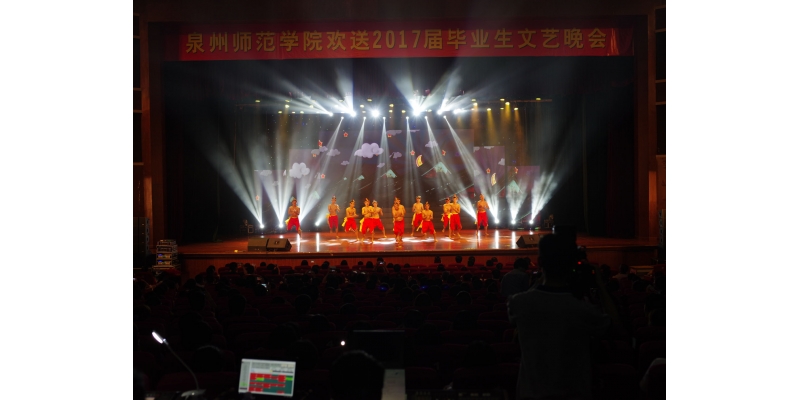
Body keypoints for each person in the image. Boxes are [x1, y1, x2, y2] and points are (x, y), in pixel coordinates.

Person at [507, 234, 620, 400]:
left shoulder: (519, 303)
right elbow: (615, 327)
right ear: (572, 263)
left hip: (531, 394)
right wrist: (600, 285)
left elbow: (528, 298)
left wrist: (541, 278)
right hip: (574, 394)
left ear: (540, 262)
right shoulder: (582, 308)